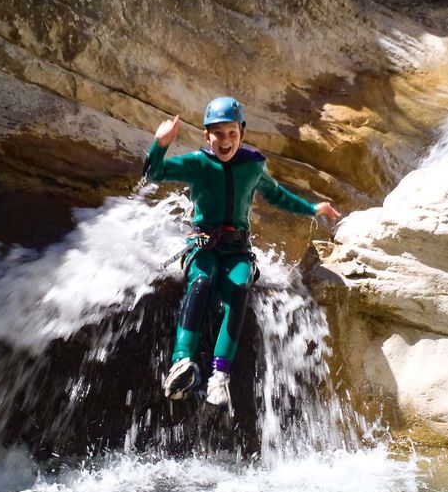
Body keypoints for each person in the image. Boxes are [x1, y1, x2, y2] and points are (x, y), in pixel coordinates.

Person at [144, 96, 341, 414]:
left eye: (232, 133)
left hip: (237, 250)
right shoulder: (197, 163)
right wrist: (160, 144)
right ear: (207, 136)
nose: (226, 141)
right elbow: (155, 173)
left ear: (242, 134)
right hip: (203, 246)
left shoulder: (253, 166)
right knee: (202, 282)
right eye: (218, 134)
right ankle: (182, 362)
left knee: (238, 287)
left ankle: (219, 376)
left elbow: (276, 195)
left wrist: (310, 208)